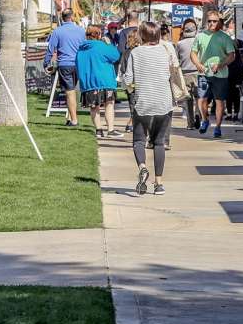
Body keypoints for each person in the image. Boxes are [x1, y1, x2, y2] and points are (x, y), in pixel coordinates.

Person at [121, 22, 174, 196]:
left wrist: (129, 87)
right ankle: (159, 184)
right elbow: (171, 73)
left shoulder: (135, 53)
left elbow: (128, 79)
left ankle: (142, 167)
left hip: (143, 101)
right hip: (163, 101)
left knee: (138, 140)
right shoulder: (166, 50)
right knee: (159, 142)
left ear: (141, 35)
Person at [190, 10, 236, 138]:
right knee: (201, 99)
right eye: (209, 21)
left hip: (220, 74)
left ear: (220, 22)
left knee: (219, 101)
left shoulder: (225, 37)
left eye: (214, 21)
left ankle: (218, 126)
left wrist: (221, 65)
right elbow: (193, 53)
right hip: (204, 73)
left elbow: (231, 55)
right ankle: (205, 120)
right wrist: (198, 64)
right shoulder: (200, 36)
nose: (211, 23)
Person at [76, 25, 122, 139]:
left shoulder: (80, 50)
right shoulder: (102, 46)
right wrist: (109, 44)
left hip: (89, 83)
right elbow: (116, 56)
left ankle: (98, 130)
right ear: (99, 35)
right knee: (109, 104)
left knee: (94, 107)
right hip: (105, 81)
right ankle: (110, 130)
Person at [44, 9, 87, 127]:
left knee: (70, 92)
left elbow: (50, 49)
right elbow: (85, 47)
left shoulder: (57, 32)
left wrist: (46, 63)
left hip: (65, 64)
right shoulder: (80, 31)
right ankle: (70, 117)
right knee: (73, 91)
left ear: (62, 18)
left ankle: (74, 120)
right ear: (72, 17)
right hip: (77, 64)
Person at [175, 19, 200, 129]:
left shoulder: (179, 44)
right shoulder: (199, 41)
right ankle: (198, 114)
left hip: (185, 74)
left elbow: (177, 60)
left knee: (188, 100)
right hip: (198, 72)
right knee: (199, 97)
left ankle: (190, 123)